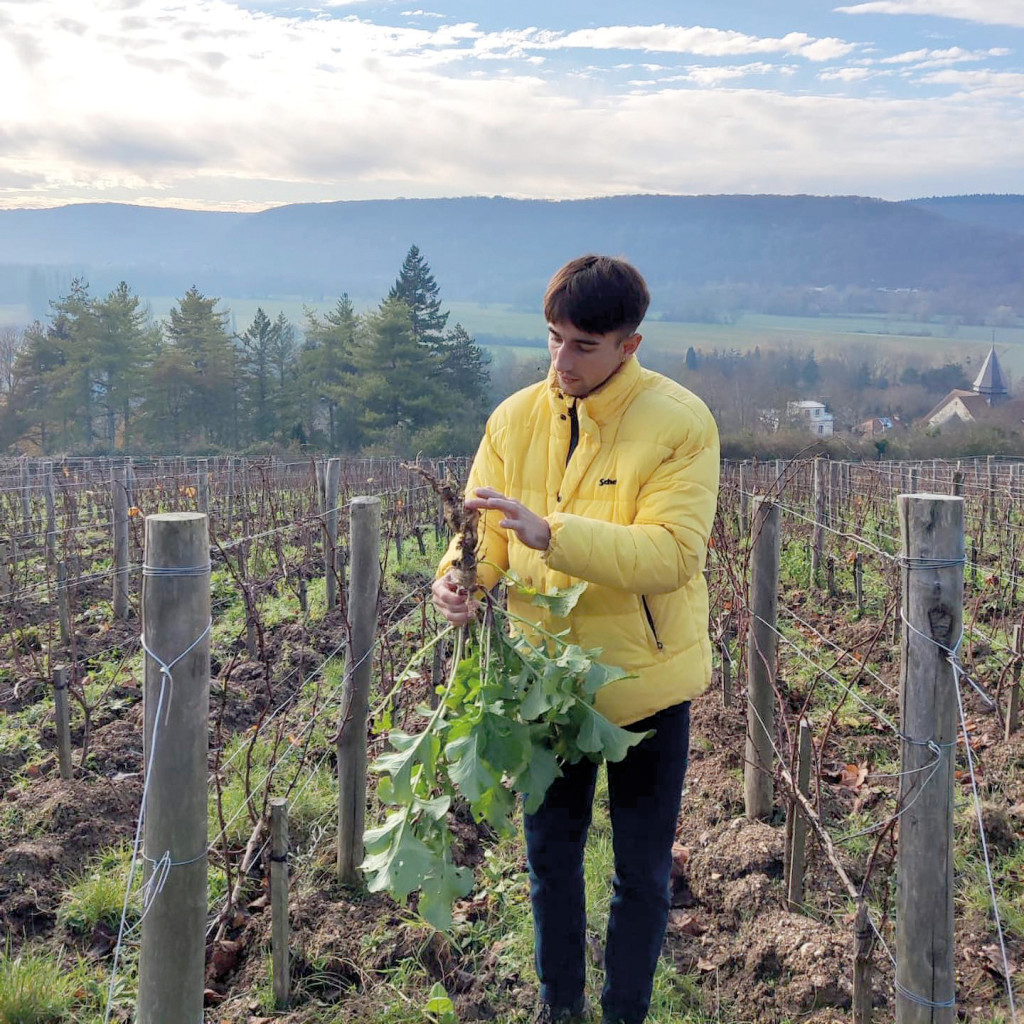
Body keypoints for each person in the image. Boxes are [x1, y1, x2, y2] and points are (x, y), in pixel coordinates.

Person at [431, 254, 720, 1024]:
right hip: (541, 684)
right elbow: (481, 535)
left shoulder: (681, 424)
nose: (562, 361)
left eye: (584, 346)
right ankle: (560, 1008)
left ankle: (625, 1011)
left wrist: (553, 533)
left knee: (642, 874)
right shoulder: (512, 418)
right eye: (554, 339)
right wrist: (461, 582)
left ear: (630, 344)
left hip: (642, 682)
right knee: (549, 863)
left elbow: (673, 555)